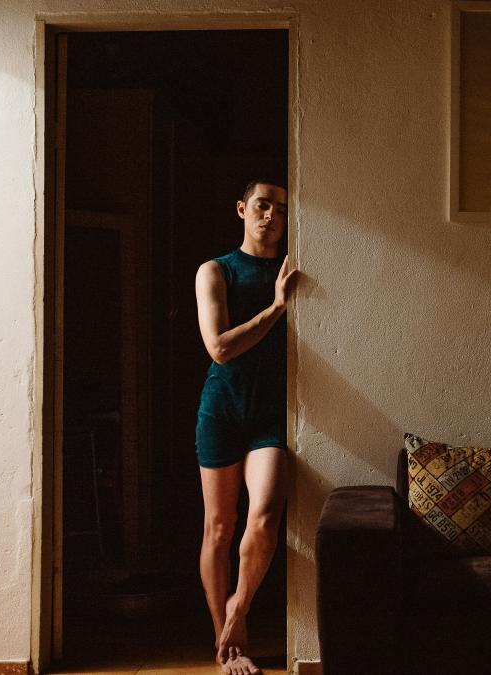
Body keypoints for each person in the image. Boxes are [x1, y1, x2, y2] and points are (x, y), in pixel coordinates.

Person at [194, 179, 296, 675]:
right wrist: (276, 309)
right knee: (219, 527)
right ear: (241, 209)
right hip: (223, 409)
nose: (271, 216)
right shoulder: (215, 271)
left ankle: (239, 612)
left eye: (280, 209)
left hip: (271, 415)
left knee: (265, 516)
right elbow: (219, 347)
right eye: (262, 205)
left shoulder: (292, 271)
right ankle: (226, 644)